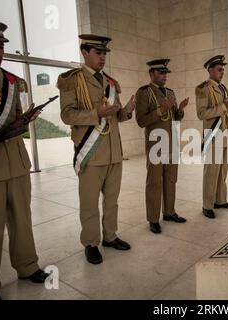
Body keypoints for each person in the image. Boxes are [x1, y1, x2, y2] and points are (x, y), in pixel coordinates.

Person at [0, 20, 48, 300]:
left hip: (17, 161)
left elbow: (14, 117)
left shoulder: (12, 81)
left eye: (1, 46)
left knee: (22, 219)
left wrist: (24, 121)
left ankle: (27, 265)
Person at [57, 34, 135, 265]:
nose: (102, 58)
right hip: (91, 154)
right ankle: (91, 243)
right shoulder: (72, 80)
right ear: (85, 52)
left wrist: (127, 110)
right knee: (89, 203)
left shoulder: (111, 83)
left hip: (114, 152)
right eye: (98, 53)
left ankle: (110, 236)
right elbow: (67, 115)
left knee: (112, 200)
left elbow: (117, 115)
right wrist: (96, 114)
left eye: (104, 54)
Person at [135, 59, 189, 234]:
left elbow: (175, 118)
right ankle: (153, 219)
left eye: (166, 73)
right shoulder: (144, 92)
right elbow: (141, 121)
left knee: (171, 178)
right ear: (151, 74)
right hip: (156, 144)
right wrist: (160, 109)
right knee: (154, 181)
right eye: (161, 73)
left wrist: (179, 110)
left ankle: (169, 212)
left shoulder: (170, 92)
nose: (165, 76)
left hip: (171, 143)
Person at [195, 55, 228, 219]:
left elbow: (225, 112)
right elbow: (201, 114)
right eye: (219, 69)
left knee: (222, 170)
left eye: (223, 70)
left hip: (225, 133)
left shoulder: (223, 88)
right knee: (211, 171)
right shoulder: (203, 89)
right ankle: (207, 205)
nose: (222, 72)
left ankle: (220, 200)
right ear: (210, 70)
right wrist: (224, 106)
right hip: (213, 135)